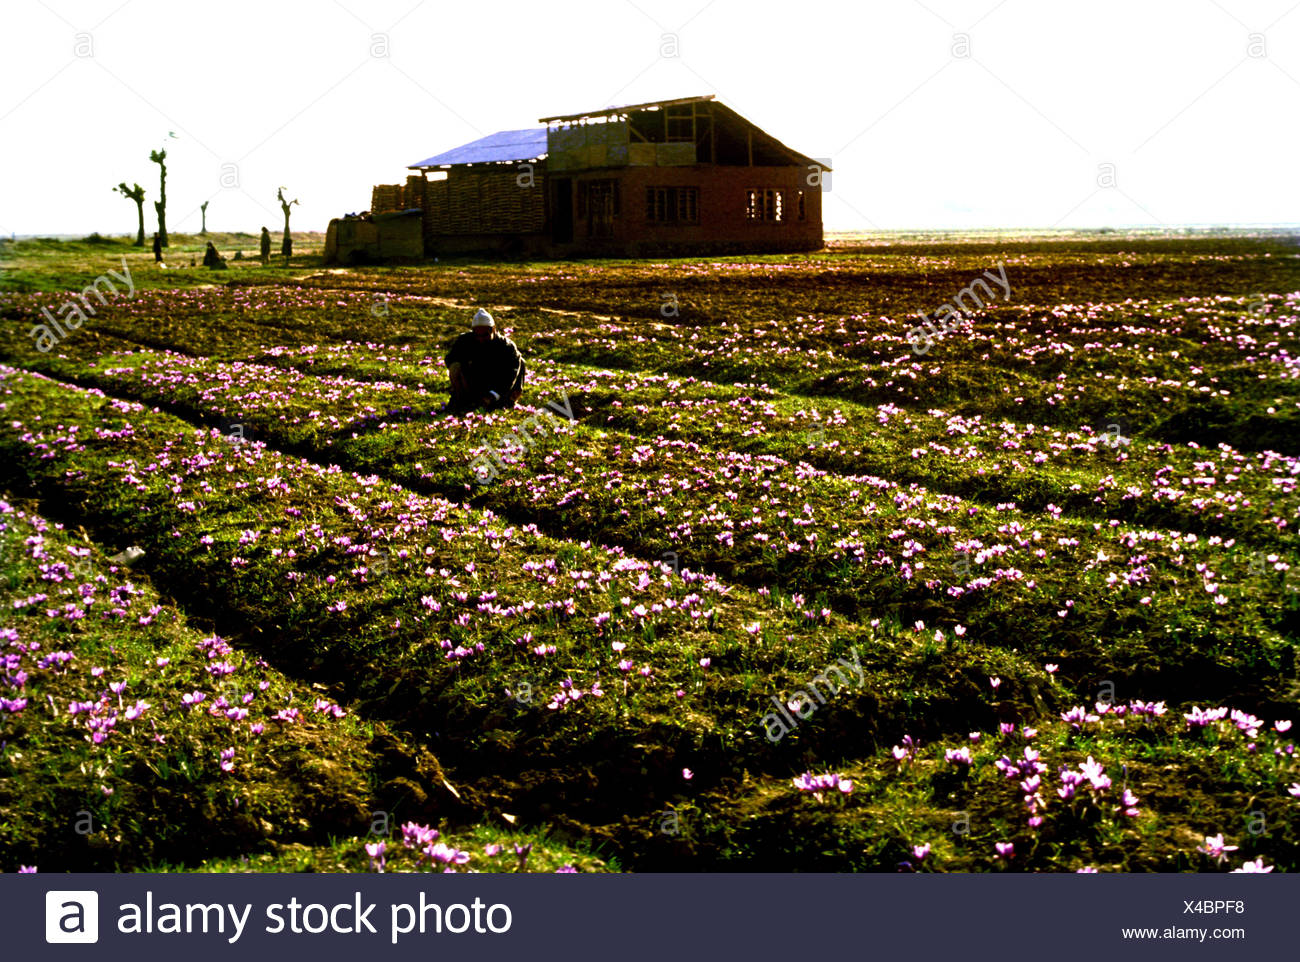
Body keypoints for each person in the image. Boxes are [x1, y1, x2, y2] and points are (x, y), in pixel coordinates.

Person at [441, 309, 525, 414]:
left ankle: (506, 402)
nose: (481, 339)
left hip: (500, 387)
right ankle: (462, 400)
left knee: (521, 361)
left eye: (485, 335)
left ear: (493, 329)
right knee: (455, 366)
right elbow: (450, 359)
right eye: (477, 335)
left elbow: (510, 376)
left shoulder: (507, 346)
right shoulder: (464, 341)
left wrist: (492, 396)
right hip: (475, 383)